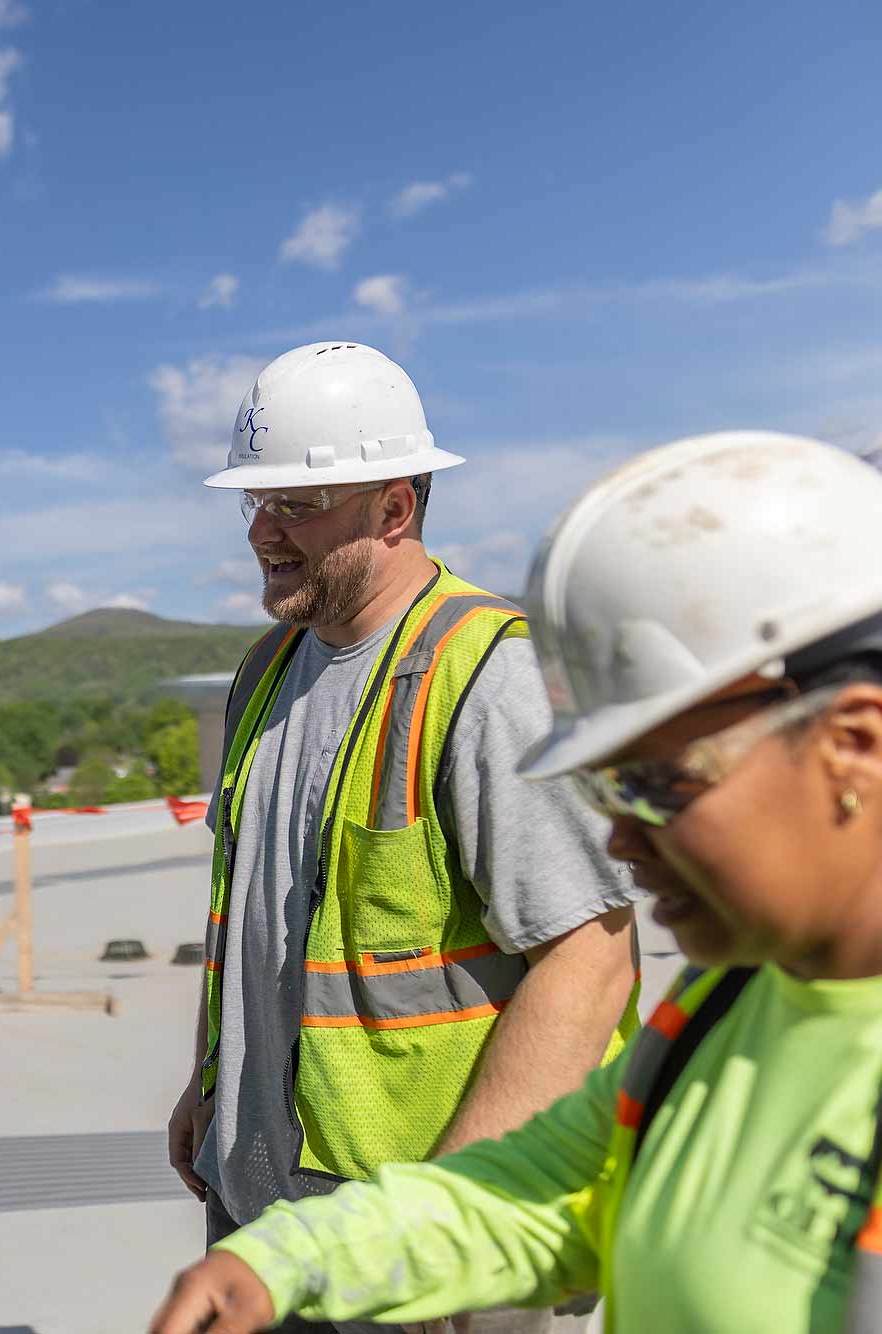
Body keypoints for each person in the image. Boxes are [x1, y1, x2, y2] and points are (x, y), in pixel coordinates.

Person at [150, 430, 882, 1333]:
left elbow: (587, 955)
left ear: (854, 744)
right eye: (604, 786)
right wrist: (283, 1261)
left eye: (660, 783)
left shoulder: (476, 667)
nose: (621, 838)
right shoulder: (713, 1018)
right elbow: (528, 1201)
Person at [165, 342, 641, 1333]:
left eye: (295, 503)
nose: (260, 530)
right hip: (264, 1213)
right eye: (253, 501)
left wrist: (444, 1217)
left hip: (420, 1239)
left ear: (392, 508)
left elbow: (589, 959)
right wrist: (211, 1080)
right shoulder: (266, 670)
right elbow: (259, 914)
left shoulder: (483, 673)